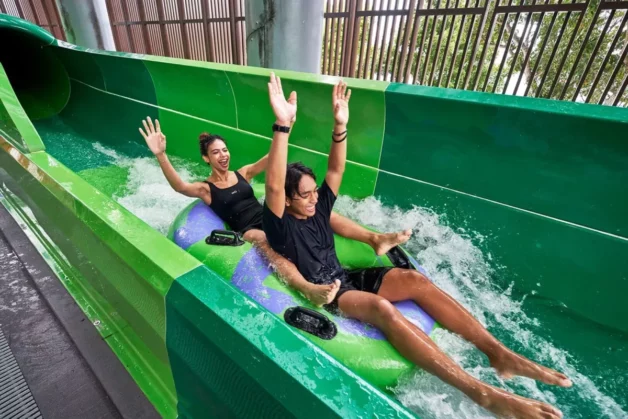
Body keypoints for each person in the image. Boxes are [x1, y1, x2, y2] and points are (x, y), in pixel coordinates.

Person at [262, 72, 571, 419]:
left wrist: (339, 126)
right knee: (383, 309)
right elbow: (273, 186)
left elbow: (336, 169)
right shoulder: (280, 227)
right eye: (304, 194)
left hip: (347, 275)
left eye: (314, 191)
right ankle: (482, 393)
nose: (314, 198)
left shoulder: (317, 208)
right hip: (330, 293)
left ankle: (497, 351)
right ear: (287, 200)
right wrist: (282, 126)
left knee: (416, 281)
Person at [138, 116, 411, 306]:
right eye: (216, 152)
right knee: (263, 238)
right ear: (206, 158)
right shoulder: (206, 189)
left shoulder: (242, 173)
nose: (223, 155)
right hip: (248, 230)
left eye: (225, 150)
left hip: (269, 216)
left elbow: (269, 161)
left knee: (320, 213)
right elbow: (179, 186)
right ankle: (306, 287)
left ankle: (374, 239)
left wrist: (285, 129)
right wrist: (161, 154)